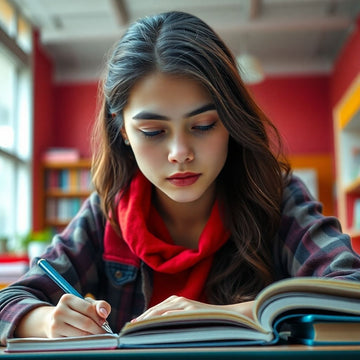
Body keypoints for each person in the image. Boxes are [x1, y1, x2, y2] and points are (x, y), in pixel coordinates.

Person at [1, 10, 360, 344]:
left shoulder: (275, 196)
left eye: (203, 125)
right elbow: (9, 301)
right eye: (153, 131)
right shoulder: (107, 212)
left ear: (231, 122)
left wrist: (229, 316)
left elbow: (351, 287)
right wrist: (47, 320)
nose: (180, 152)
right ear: (123, 131)